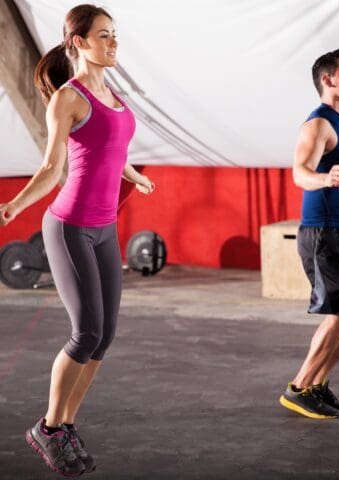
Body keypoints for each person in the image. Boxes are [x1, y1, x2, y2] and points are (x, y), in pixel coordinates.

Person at [0, 4, 155, 476]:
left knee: (103, 337)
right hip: (69, 227)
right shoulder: (67, 98)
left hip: (105, 229)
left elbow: (110, 149)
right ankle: (47, 428)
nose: (113, 43)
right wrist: (13, 206)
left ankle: (65, 426)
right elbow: (53, 168)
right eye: (104, 36)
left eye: (115, 35)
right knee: (84, 332)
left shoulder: (113, 93)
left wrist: (132, 174)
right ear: (78, 42)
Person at [279, 49, 339, 420]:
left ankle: (318, 385)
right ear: (328, 79)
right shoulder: (318, 125)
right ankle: (297, 388)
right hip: (322, 233)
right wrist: (324, 178)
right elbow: (299, 172)